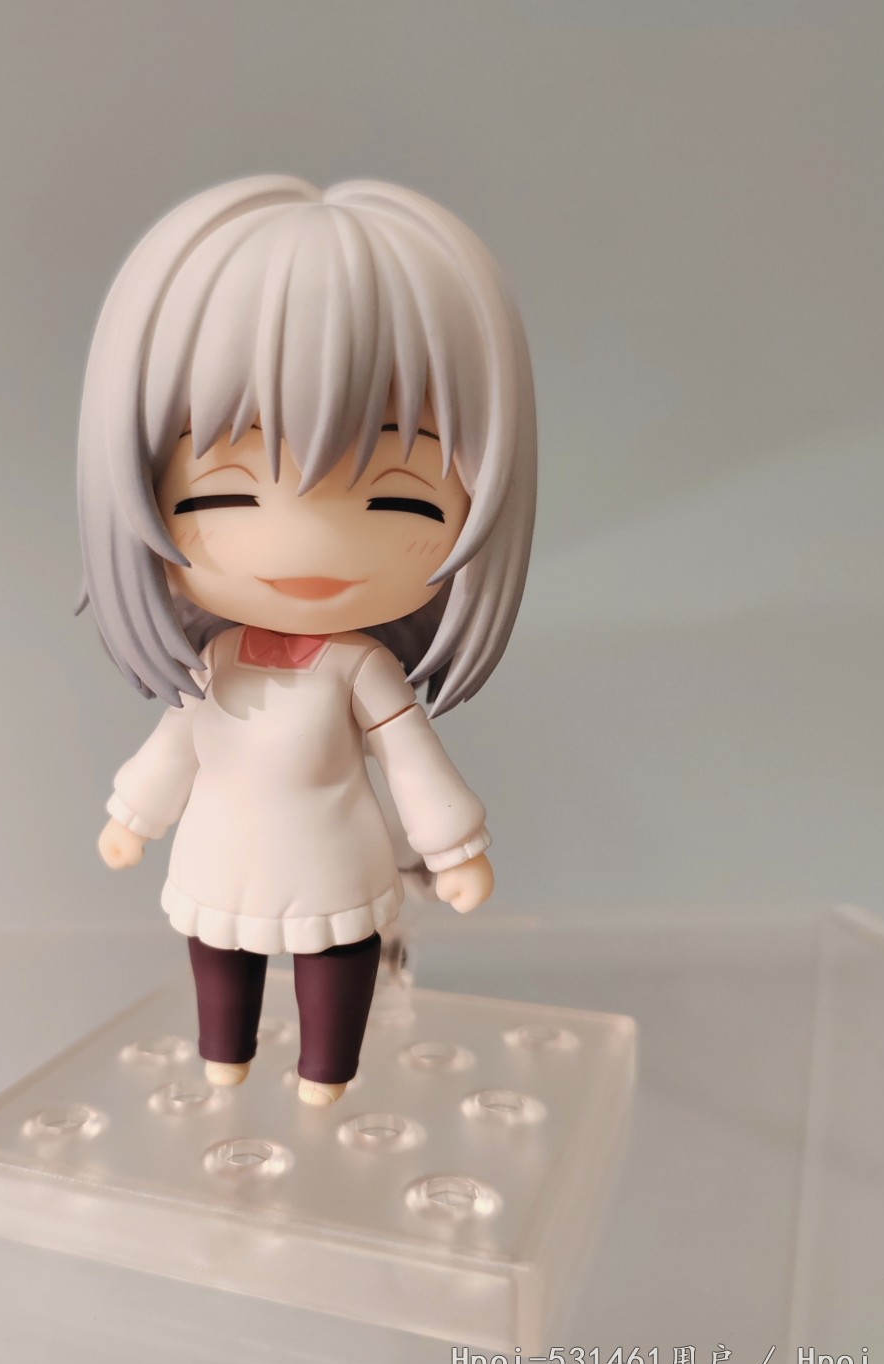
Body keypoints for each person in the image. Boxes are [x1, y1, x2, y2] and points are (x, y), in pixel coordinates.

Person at [76, 175, 536, 1104]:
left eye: (400, 500)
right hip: (221, 848)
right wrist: (132, 817)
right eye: (223, 493)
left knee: (338, 950)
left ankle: (327, 1070)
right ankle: (224, 1054)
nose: (304, 539)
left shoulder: (359, 669)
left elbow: (412, 763)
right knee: (218, 944)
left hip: (332, 852)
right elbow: (173, 746)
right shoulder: (212, 664)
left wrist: (452, 848)